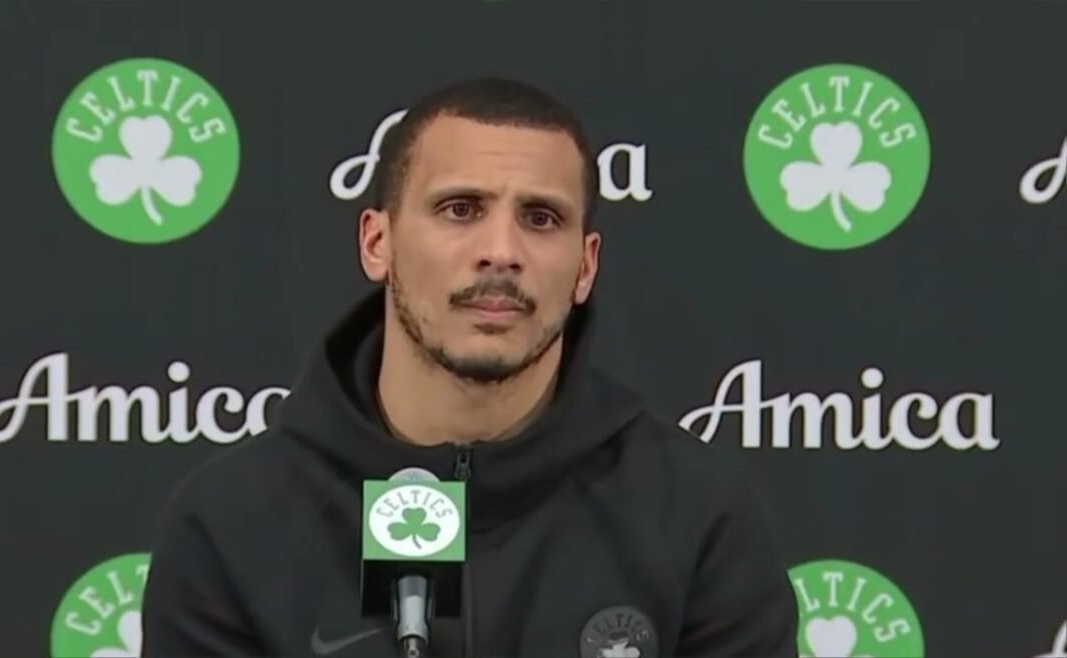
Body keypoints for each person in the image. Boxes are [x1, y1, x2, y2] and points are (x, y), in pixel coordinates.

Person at [140, 76, 798, 658]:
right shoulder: (229, 524)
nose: (501, 250)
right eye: (461, 210)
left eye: (541, 218)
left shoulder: (699, 517)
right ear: (377, 242)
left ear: (586, 266)